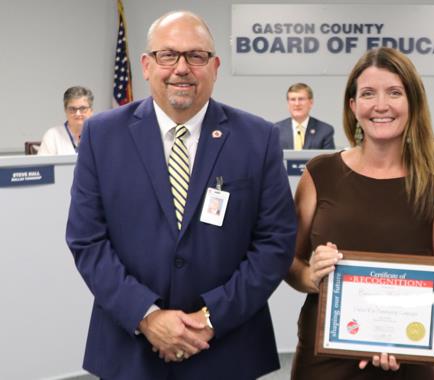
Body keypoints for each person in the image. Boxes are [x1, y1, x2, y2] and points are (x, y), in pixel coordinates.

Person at [65, 10, 296, 380]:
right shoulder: (101, 135)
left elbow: (276, 241)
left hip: (228, 349)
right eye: (168, 55)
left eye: (196, 55)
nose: (182, 68)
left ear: (215, 65)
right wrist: (148, 316)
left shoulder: (259, 138)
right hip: (130, 350)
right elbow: (87, 239)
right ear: (145, 64)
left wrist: (211, 318)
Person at [285, 47, 434, 379]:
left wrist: (396, 335)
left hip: (406, 359)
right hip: (323, 361)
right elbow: (289, 260)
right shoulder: (319, 173)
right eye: (368, 94)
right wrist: (311, 276)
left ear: (413, 102)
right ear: (353, 106)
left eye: (394, 92)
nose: (381, 105)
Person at [274, 82, 335, 150]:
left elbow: (329, 159)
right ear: (288, 103)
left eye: (301, 99)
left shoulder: (325, 130)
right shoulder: (276, 130)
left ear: (311, 103)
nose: (297, 104)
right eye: (293, 99)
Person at [37, 86, 94, 155]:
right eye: (72, 109)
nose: (78, 114)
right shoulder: (52, 136)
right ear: (65, 110)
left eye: (82, 108)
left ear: (91, 111)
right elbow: (43, 165)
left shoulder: (100, 136)